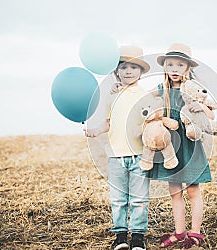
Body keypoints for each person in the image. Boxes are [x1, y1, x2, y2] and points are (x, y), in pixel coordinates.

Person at [84, 45, 151, 250]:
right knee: (118, 199)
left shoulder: (145, 95)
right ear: (116, 72)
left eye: (133, 67)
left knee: (140, 199)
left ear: (140, 72)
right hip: (115, 156)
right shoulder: (112, 95)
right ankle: (120, 235)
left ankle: (138, 236)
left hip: (139, 154)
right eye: (123, 67)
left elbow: (150, 123)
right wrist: (96, 130)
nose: (128, 71)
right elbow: (108, 122)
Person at [152, 43, 213, 249]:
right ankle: (179, 232)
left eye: (180, 65)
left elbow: (212, 116)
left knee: (193, 190)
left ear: (188, 68)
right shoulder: (161, 90)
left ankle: (195, 234)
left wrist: (202, 106)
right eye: (171, 65)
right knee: (174, 192)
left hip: (190, 145)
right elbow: (146, 109)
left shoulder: (195, 91)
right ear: (165, 68)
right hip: (171, 147)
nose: (175, 69)